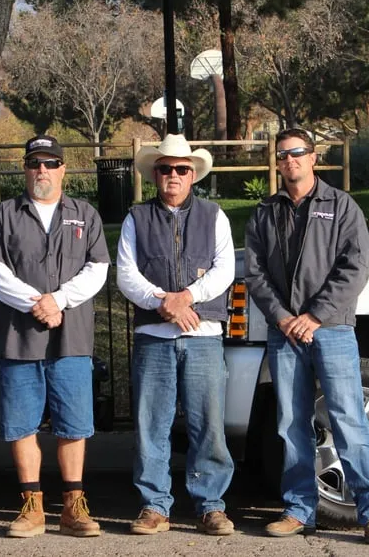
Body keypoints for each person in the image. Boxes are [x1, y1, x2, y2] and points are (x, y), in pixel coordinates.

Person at [243, 128, 369, 545]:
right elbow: (255, 274)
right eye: (282, 155)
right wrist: (283, 317)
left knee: (348, 419)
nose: (289, 160)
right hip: (284, 333)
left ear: (313, 158)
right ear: (277, 163)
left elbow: (355, 267)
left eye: (297, 153)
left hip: (333, 330)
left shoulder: (341, 206)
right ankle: (298, 510)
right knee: (291, 423)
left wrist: (315, 315)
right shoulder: (264, 213)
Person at [0, 135, 110, 539]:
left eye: (51, 163)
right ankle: (31, 506)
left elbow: (98, 269)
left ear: (63, 169)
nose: (43, 170)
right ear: (25, 168)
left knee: (74, 424)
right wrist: (35, 303)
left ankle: (73, 506)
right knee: (21, 424)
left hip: (71, 339)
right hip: (20, 337)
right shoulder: (4, 214)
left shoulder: (84, 214)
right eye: (35, 163)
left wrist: (58, 300)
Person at [116, 134, 237, 537]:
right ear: (155, 174)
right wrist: (162, 303)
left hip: (204, 335)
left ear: (193, 175)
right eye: (166, 168)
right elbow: (126, 274)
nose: (173, 175)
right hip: (154, 335)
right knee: (152, 425)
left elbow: (225, 270)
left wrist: (187, 297)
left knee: (209, 425)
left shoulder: (215, 215)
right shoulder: (136, 218)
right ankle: (154, 505)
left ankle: (211, 505)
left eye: (181, 169)